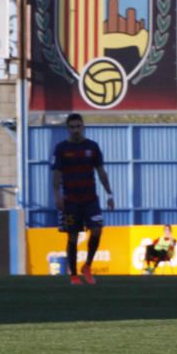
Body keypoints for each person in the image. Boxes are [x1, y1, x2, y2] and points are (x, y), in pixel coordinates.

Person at [51, 112, 115, 285]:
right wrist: (57, 195)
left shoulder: (92, 147)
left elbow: (101, 172)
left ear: (83, 127)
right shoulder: (61, 149)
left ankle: (87, 266)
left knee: (97, 230)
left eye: (78, 126)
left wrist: (110, 194)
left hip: (90, 200)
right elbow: (56, 175)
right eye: (72, 127)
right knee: (72, 236)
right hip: (71, 200)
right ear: (67, 129)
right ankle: (73, 275)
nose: (76, 130)